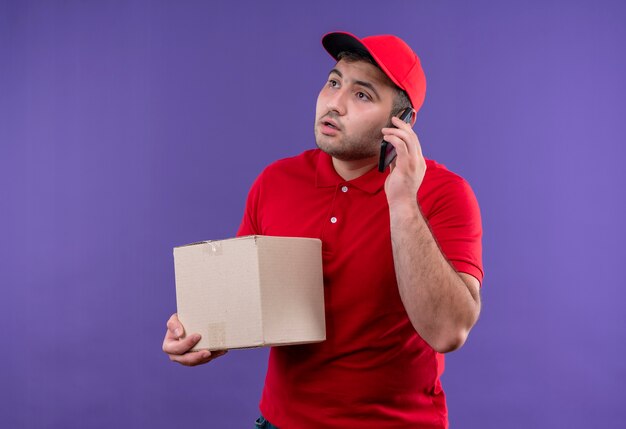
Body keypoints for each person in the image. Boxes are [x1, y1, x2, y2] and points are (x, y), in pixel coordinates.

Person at [162, 31, 483, 428]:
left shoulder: (443, 193)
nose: (335, 103)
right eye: (334, 82)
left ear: (401, 122)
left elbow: (448, 332)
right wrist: (202, 334)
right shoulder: (276, 180)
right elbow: (246, 301)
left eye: (362, 95)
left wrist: (402, 202)